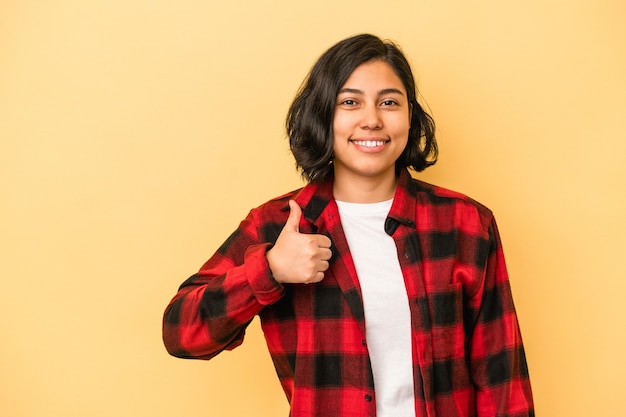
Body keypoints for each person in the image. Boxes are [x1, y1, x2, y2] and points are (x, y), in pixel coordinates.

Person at [162, 33, 534, 417]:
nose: (371, 120)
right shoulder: (279, 226)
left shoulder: (466, 224)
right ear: (324, 115)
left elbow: (502, 379)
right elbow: (181, 334)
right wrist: (269, 269)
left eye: (389, 102)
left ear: (410, 118)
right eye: (350, 102)